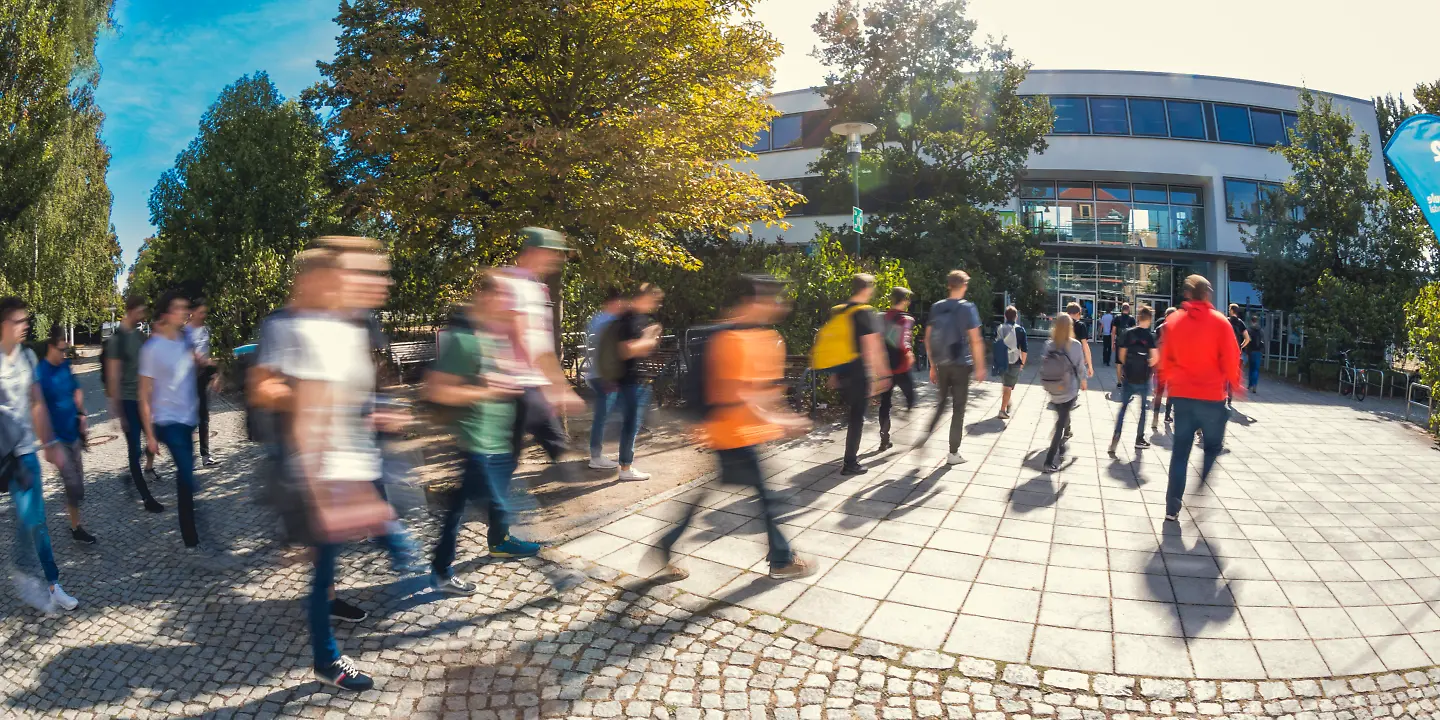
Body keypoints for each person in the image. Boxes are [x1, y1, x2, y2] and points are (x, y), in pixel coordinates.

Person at [654, 275, 814, 580]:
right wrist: (780, 419)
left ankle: (665, 545)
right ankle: (781, 559)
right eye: (772, 299)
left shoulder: (763, 336)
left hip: (744, 433)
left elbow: (764, 390)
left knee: (719, 494)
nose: (778, 305)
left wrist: (777, 415)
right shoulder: (731, 340)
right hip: (731, 432)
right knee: (767, 498)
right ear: (752, 302)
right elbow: (733, 392)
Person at [426, 270, 535, 596]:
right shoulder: (463, 338)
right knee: (502, 503)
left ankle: (445, 568)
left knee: (464, 505)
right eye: (504, 295)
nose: (510, 303)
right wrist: (486, 389)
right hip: (477, 442)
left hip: (494, 440)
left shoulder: (489, 334)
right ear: (487, 297)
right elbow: (437, 391)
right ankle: (560, 576)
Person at [0, 298, 80, 614]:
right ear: (4, 323)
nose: (26, 325)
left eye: (26, 320)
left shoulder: (28, 357)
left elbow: (36, 403)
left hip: (25, 452)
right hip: (3, 454)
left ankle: (52, 585)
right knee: (28, 518)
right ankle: (21, 571)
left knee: (37, 521)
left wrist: (49, 442)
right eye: (20, 320)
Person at [499, 228, 584, 468]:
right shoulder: (515, 284)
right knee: (509, 458)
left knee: (552, 446)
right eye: (553, 252)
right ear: (534, 252)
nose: (558, 258)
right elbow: (523, 337)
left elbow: (536, 340)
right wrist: (556, 386)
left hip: (527, 384)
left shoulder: (532, 286)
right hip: (514, 386)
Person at [1161, 276, 1243, 522]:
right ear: (1207, 294)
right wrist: (1236, 386)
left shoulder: (1175, 321)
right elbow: (1232, 357)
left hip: (1183, 397)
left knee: (1180, 453)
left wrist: (1164, 386)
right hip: (1211, 398)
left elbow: (1166, 358)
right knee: (1212, 447)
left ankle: (1172, 507)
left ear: (1188, 295)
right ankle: (1199, 488)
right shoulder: (1220, 323)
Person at [139, 291, 203, 551]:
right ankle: (192, 540)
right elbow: (143, 395)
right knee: (187, 476)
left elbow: (192, 371)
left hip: (188, 419)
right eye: (178, 308)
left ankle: (191, 535)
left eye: (185, 308)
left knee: (187, 477)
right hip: (167, 421)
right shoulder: (152, 349)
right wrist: (150, 435)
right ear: (165, 314)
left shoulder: (185, 342)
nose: (184, 312)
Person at [36, 327, 95, 544]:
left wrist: (81, 414)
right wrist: (47, 443)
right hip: (56, 438)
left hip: (73, 433)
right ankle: (76, 526)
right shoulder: (40, 373)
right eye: (61, 350)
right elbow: (37, 409)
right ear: (51, 347)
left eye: (66, 351)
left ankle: (74, 524)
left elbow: (76, 389)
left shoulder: (65, 366)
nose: (64, 355)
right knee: (72, 484)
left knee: (78, 485)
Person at [104, 296, 162, 513]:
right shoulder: (117, 339)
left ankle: (137, 470)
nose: (143, 314)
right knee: (134, 448)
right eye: (141, 310)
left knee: (152, 438)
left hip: (144, 399)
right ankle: (146, 497)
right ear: (130, 311)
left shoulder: (139, 335)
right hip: (128, 401)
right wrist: (115, 409)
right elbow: (112, 376)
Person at [922, 271, 985, 465]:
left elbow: (927, 337)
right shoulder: (968, 308)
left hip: (942, 363)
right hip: (960, 364)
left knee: (941, 403)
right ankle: (953, 453)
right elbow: (975, 340)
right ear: (964, 285)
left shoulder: (937, 307)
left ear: (948, 285)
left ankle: (925, 435)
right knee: (958, 409)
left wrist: (932, 365)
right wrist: (980, 366)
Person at [833, 274, 889, 476]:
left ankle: (848, 457)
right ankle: (850, 463)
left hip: (842, 371)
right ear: (867, 289)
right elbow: (872, 346)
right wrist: (881, 375)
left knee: (851, 415)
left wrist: (833, 375)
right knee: (857, 417)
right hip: (858, 371)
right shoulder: (865, 312)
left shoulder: (841, 310)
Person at [611, 284, 664, 481]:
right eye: (655, 300)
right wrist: (650, 337)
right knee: (630, 424)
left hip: (632, 379)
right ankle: (626, 468)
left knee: (631, 423)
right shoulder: (631, 319)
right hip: (628, 380)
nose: (656, 305)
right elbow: (627, 350)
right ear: (645, 298)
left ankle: (626, 465)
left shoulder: (633, 318)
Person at [584, 289, 626, 469]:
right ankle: (596, 456)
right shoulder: (609, 322)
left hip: (597, 374)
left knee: (605, 415)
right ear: (613, 303)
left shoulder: (597, 319)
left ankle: (598, 453)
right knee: (602, 417)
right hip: (604, 376)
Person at [1040, 314, 1087, 473]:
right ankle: (1048, 460)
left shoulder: (1049, 344)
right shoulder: (1075, 345)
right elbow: (1080, 367)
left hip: (1052, 388)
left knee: (1061, 418)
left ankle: (1061, 447)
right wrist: (1084, 380)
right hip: (1068, 389)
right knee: (1060, 424)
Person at [1109, 306, 1158, 456]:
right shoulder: (1150, 336)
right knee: (1143, 409)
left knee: (1123, 408)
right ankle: (1139, 438)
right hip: (1143, 378)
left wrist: (1128, 367)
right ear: (1149, 319)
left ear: (1138, 317)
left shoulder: (1128, 333)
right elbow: (1156, 358)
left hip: (1129, 376)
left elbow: (1122, 355)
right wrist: (1146, 364)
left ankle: (1116, 436)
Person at [877, 287, 916, 451]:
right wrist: (908, 352)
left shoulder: (882, 316)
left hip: (885, 366)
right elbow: (903, 340)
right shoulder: (906, 319)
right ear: (905, 301)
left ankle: (884, 438)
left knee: (885, 403)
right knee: (911, 395)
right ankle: (906, 416)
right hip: (900, 366)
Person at [186, 298, 219, 467]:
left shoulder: (206, 330)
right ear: (192, 312)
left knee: (204, 417)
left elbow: (208, 352)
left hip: (203, 377)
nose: (203, 315)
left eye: (205, 312)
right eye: (201, 312)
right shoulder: (185, 331)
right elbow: (188, 353)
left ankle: (206, 455)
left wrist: (213, 374)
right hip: (189, 378)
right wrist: (199, 360)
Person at [996, 306, 1028, 420]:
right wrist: (1022, 363)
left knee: (1006, 384)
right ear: (1016, 317)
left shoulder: (1000, 328)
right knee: (1008, 386)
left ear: (1005, 316)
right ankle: (1002, 410)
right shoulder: (1020, 330)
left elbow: (997, 345)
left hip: (1002, 360)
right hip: (1015, 361)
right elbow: (1024, 350)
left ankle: (1007, 401)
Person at [1151, 306, 1179, 430]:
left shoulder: (1159, 329)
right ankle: (1167, 415)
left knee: (1159, 392)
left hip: (1161, 366)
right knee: (1171, 393)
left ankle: (1156, 415)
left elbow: (1153, 347)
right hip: (1173, 367)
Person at [1226, 304, 1250, 408]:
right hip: (1235, 352)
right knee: (1232, 375)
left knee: (1223, 374)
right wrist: (1241, 346)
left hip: (1225, 350)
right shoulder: (1241, 323)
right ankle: (1229, 398)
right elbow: (1247, 338)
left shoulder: (1226, 321)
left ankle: (1221, 396)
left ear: (1231, 310)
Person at [1066, 302, 1095, 382]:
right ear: (1078, 313)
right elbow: (1085, 346)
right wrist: (1090, 366)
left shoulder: (1062, 324)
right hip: (1075, 360)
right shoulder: (1080, 325)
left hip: (1061, 360)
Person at [1111, 303, 1136, 390]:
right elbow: (1134, 332)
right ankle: (1126, 380)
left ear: (1121, 309)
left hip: (1119, 343)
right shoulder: (1132, 319)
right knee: (1128, 363)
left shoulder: (1117, 318)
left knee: (1118, 363)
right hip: (1129, 344)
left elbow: (1113, 332)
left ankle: (1119, 382)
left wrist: (1112, 343)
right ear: (1128, 309)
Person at [1246, 314, 1264, 393]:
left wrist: (1247, 351)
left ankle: (1250, 384)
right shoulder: (1261, 330)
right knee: (1256, 369)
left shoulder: (1249, 330)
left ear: (1251, 321)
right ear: (1257, 321)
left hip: (1251, 351)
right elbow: (1263, 341)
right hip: (1258, 351)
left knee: (1251, 369)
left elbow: (1247, 340)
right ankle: (1255, 385)